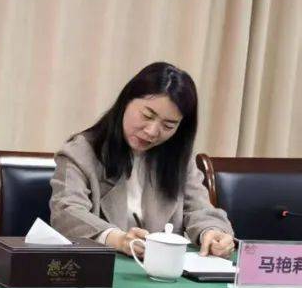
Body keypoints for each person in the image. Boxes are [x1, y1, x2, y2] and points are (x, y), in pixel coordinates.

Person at [50, 62, 234, 257]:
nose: (152, 132)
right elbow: (67, 212)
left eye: (168, 126)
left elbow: (199, 209)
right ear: (126, 101)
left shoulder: (178, 158)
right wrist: (118, 239)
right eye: (147, 115)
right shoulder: (81, 152)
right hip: (104, 266)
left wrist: (212, 232)